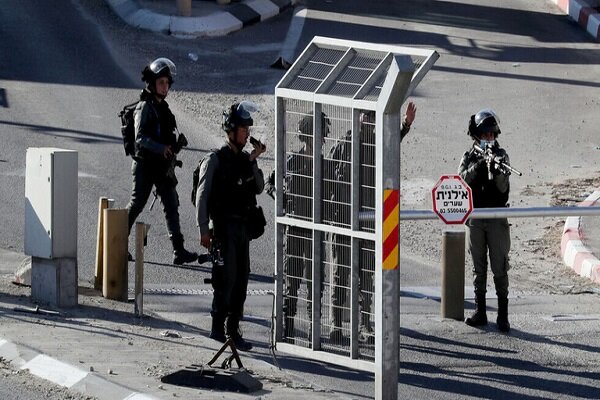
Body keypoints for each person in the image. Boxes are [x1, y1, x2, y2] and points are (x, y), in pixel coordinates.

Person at [328, 102, 417, 343]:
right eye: (365, 116)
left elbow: (392, 143)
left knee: (366, 275)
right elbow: (328, 182)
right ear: (357, 117)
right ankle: (336, 325)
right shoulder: (344, 146)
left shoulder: (377, 144)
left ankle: (365, 324)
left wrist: (405, 125)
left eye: (372, 116)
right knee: (341, 274)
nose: (368, 120)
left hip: (368, 220)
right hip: (344, 221)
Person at [195, 101, 265, 351]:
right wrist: (204, 228)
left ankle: (233, 330)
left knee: (241, 280)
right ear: (232, 130)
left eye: (248, 129)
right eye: (244, 129)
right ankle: (217, 328)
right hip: (223, 229)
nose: (247, 134)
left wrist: (254, 160)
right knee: (225, 279)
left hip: (243, 230)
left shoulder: (246, 159)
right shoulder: (215, 159)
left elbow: (258, 187)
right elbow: (202, 195)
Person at [126, 57, 198, 265]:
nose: (165, 87)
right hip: (145, 164)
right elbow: (140, 137)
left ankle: (179, 250)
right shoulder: (144, 107)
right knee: (137, 204)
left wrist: (170, 150)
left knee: (171, 204)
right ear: (151, 84)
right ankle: (118, 244)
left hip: (161, 166)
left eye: (167, 82)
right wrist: (161, 148)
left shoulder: (162, 107)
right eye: (161, 83)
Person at [458, 108, 512, 333]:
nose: (489, 138)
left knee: (499, 265)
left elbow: (503, 189)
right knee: (478, 267)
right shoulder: (468, 157)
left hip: (497, 217)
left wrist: (497, 169)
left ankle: (503, 315)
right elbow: (460, 182)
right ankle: (480, 311)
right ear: (476, 136)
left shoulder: (502, 156)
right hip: (476, 219)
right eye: (485, 135)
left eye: (492, 135)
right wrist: (479, 166)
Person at [281, 113, 325, 342]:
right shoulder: (293, 162)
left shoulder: (323, 164)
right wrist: (285, 203)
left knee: (316, 281)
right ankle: (287, 328)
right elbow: (272, 183)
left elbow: (334, 193)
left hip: (316, 229)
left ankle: (313, 330)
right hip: (297, 227)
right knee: (293, 280)